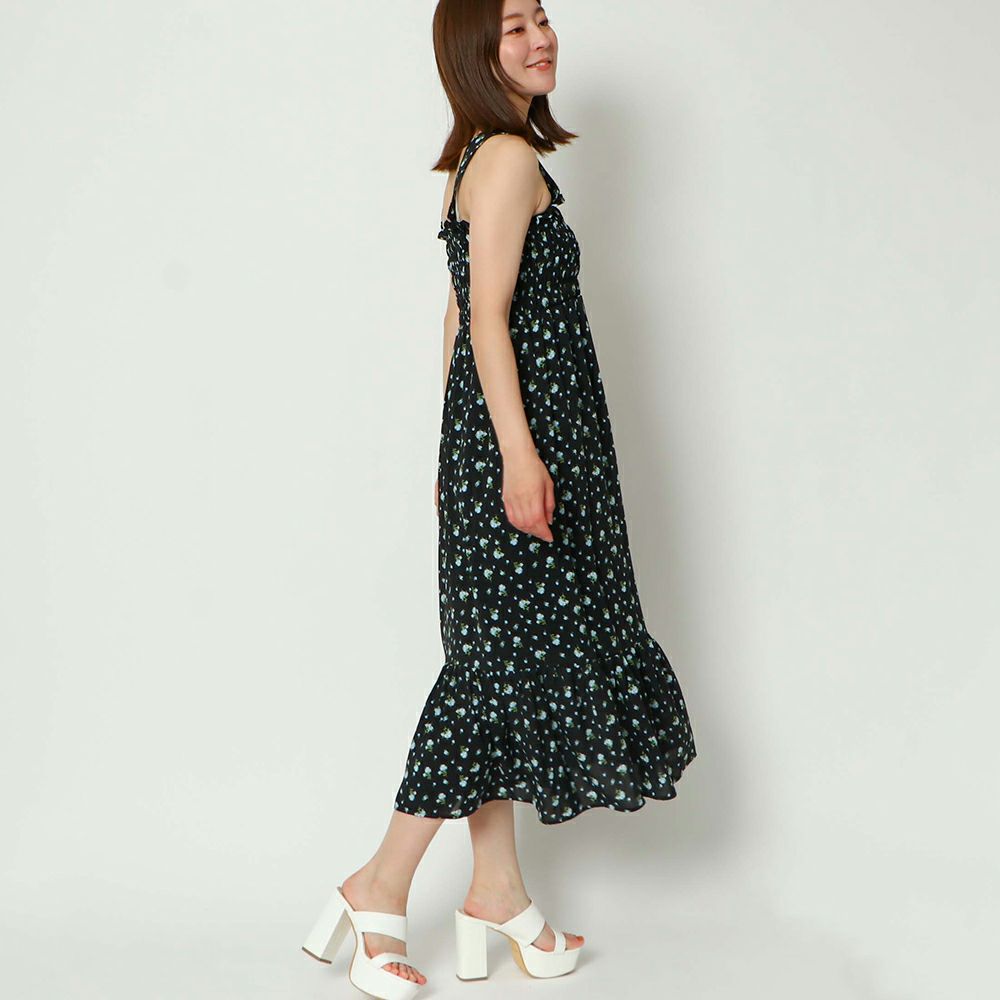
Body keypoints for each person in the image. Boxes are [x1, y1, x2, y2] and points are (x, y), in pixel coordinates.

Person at [301, 2, 697, 996]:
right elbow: (485, 318)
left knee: (502, 663)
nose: (539, 37)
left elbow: (455, 311)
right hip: (530, 442)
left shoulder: (479, 158)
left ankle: (497, 893)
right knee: (492, 674)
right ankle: (377, 886)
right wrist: (516, 457)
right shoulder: (509, 160)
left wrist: (460, 445)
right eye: (514, 26)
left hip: (506, 439)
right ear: (475, 50)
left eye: (542, 18)